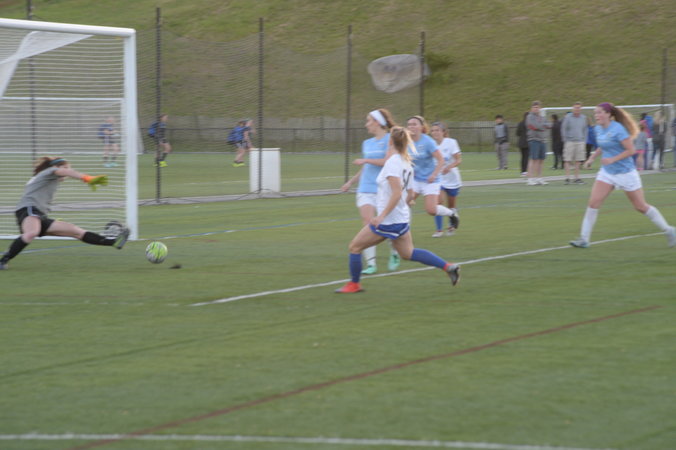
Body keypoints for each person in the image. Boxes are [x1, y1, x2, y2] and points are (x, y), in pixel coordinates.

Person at [335, 126, 460, 294]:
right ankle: (448, 267)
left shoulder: (393, 162)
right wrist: (406, 203)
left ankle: (354, 284)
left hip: (389, 221)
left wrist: (381, 216)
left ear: (391, 142)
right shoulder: (406, 162)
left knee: (354, 247)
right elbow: (410, 193)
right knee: (408, 253)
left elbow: (396, 193)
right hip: (401, 218)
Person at [569, 102, 676, 249]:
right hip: (607, 173)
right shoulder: (598, 128)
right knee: (593, 203)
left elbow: (631, 150)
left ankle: (669, 230)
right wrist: (592, 157)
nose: (596, 115)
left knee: (640, 206)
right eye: (595, 113)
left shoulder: (618, 129)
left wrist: (612, 159)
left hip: (626, 173)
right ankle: (584, 239)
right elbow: (603, 145)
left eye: (599, 112)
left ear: (608, 114)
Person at [0, 157, 129, 270]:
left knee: (76, 231)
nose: (68, 171)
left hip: (39, 215)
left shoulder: (47, 179)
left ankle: (113, 242)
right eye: (66, 168)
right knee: (31, 233)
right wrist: (87, 178)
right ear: (57, 167)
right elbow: (63, 172)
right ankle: (3, 260)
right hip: (28, 209)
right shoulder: (50, 171)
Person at [340, 109, 400, 274]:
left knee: (385, 225)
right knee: (367, 223)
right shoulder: (366, 143)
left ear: (378, 122)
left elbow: (387, 161)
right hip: (365, 188)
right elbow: (365, 168)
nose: (366, 124)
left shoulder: (390, 139)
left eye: (368, 121)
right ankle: (371, 264)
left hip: (383, 189)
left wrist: (366, 160)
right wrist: (351, 182)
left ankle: (394, 252)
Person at [405, 115, 458, 224]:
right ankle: (403, 230)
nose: (411, 127)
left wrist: (434, 175)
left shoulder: (428, 141)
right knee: (405, 203)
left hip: (430, 180)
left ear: (421, 127)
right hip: (415, 179)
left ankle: (452, 214)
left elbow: (441, 160)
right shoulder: (406, 141)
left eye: (414, 124)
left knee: (431, 210)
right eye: (409, 125)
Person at [430, 121, 462, 237]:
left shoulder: (451, 142)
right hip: (438, 179)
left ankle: (451, 224)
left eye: (437, 130)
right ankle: (439, 230)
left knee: (451, 206)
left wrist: (449, 167)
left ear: (443, 132)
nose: (435, 132)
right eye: (432, 130)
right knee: (438, 202)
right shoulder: (430, 144)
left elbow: (458, 160)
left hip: (452, 179)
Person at [561, 102, 588, 184]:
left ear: (581, 109)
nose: (577, 109)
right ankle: (567, 178)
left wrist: (584, 140)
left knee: (578, 160)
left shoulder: (583, 118)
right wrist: (565, 139)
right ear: (573, 108)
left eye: (579, 108)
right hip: (569, 141)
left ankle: (577, 178)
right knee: (567, 159)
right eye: (576, 107)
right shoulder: (568, 117)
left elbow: (585, 130)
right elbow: (563, 128)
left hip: (580, 141)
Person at [525, 101, 550, 185]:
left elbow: (549, 125)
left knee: (541, 160)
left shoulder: (542, 117)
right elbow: (534, 126)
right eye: (534, 107)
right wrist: (543, 126)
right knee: (533, 159)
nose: (536, 109)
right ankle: (530, 178)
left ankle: (539, 178)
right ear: (532, 108)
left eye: (537, 107)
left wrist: (542, 126)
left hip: (542, 140)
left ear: (540, 108)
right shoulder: (529, 117)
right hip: (534, 139)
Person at [515, 112, 530, 176]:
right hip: (527, 142)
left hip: (521, 142)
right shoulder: (529, 124)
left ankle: (522, 171)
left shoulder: (520, 123)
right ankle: (526, 171)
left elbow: (517, 133)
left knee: (522, 157)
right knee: (526, 157)